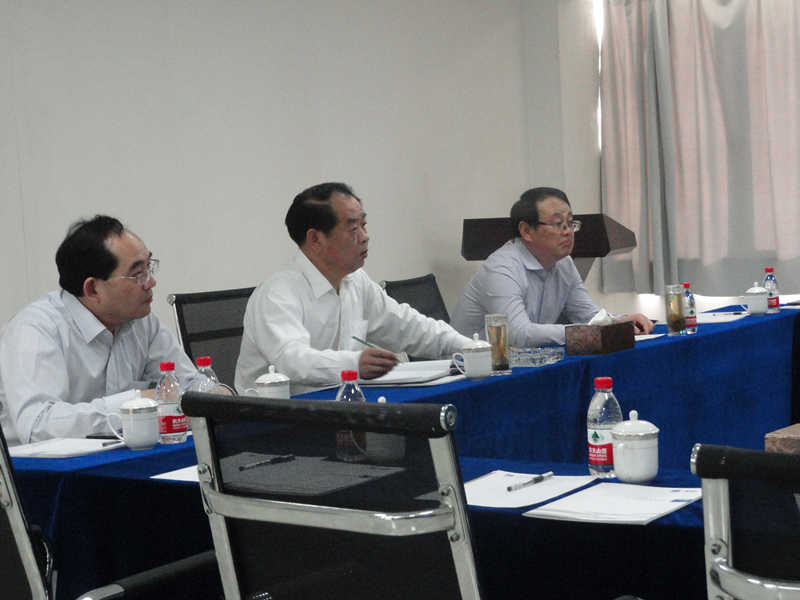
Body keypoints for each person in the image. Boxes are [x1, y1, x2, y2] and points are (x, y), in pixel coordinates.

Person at [235, 182, 472, 395]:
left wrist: (469, 347)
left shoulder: (356, 281)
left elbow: (407, 326)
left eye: (364, 225)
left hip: (340, 410)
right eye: (353, 229)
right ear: (315, 239)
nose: (365, 237)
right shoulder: (277, 294)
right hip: (273, 421)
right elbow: (292, 361)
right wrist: (354, 364)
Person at [0, 215, 200, 446]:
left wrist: (213, 394)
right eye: (138, 274)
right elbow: (37, 426)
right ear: (93, 289)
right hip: (38, 466)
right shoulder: (35, 329)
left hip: (122, 456)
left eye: (149, 267)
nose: (151, 282)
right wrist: (132, 405)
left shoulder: (141, 322)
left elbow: (186, 385)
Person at [452, 187, 654, 346]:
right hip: (464, 372)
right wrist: (587, 332)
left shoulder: (563, 263)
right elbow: (517, 334)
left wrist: (619, 322)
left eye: (570, 223)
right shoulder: (501, 268)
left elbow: (588, 316)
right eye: (558, 224)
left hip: (522, 364)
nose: (568, 232)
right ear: (526, 231)